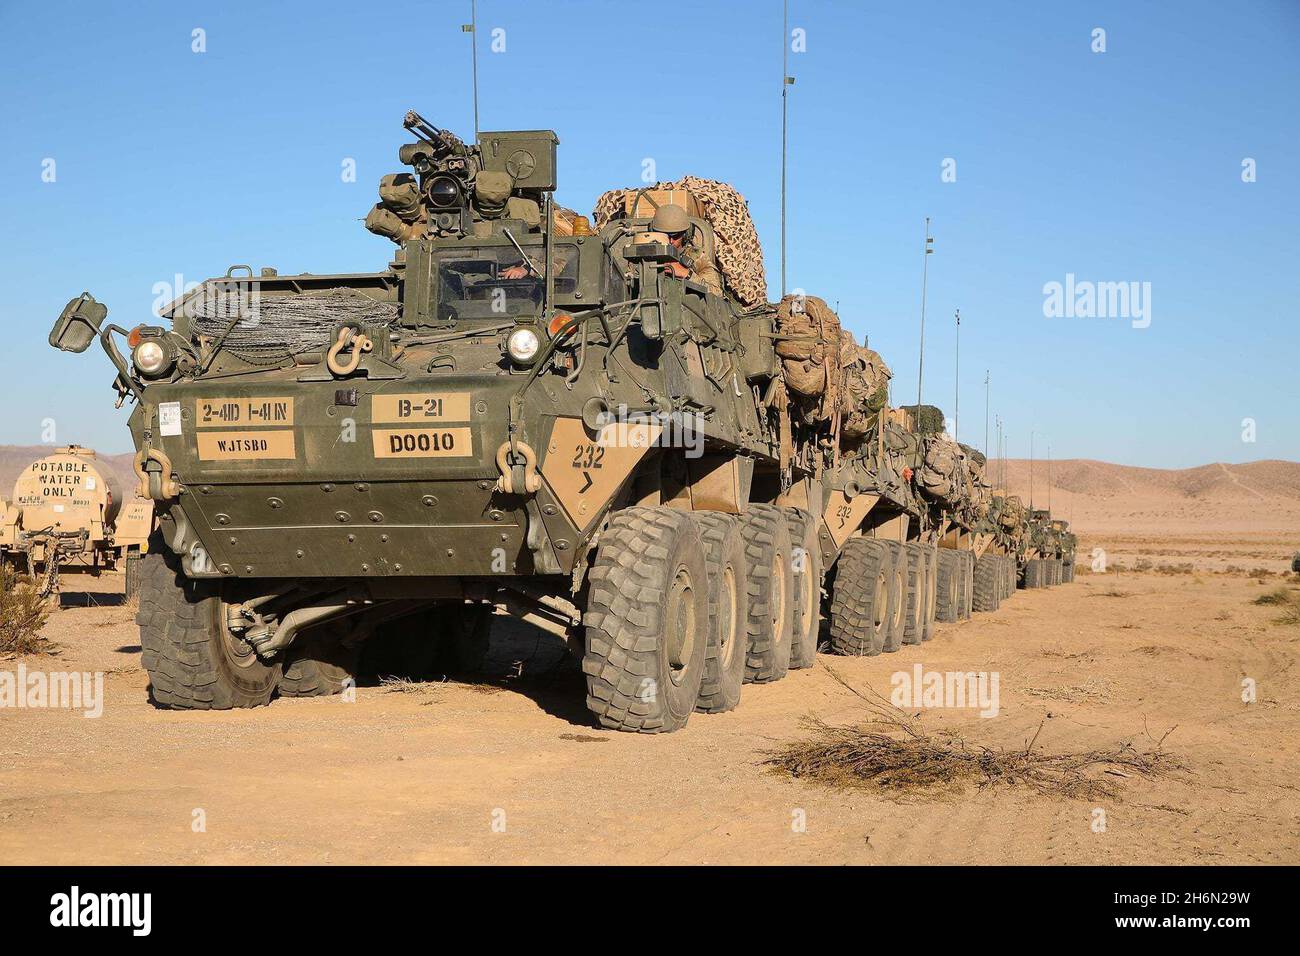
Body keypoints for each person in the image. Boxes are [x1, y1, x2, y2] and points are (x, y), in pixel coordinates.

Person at [648, 204, 724, 296]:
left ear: (685, 234)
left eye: (675, 236)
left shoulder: (696, 257)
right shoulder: (644, 255)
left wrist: (687, 275)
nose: (670, 241)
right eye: (665, 236)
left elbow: (717, 293)